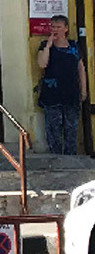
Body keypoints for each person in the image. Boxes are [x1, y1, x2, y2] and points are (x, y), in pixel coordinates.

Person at [36, 15, 86, 156]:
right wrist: (48, 46)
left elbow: (81, 68)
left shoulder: (74, 46)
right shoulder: (44, 45)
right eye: (52, 27)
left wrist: (83, 90)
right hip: (52, 94)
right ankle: (56, 157)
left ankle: (70, 158)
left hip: (71, 93)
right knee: (53, 129)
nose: (55, 30)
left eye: (58, 27)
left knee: (71, 128)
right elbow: (42, 64)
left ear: (66, 28)